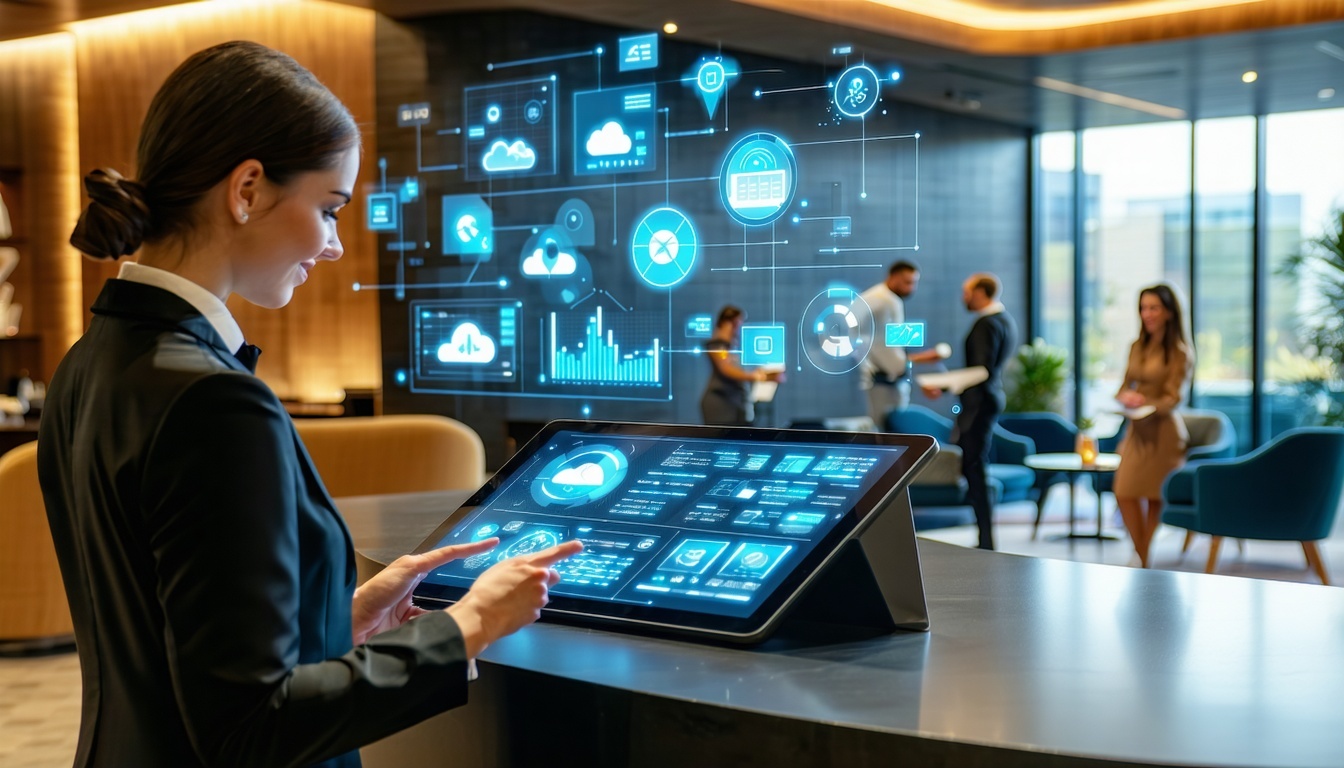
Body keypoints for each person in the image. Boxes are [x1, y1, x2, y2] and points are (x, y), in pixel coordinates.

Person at [38, 41, 582, 768]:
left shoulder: (89, 362)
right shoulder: (213, 403)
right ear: (248, 189)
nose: (331, 245)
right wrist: (469, 625)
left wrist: (339, 621)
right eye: (328, 210)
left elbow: (168, 647)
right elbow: (251, 730)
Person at [923, 273, 1017, 550]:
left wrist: (941, 385)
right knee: (974, 467)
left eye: (967, 291)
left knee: (974, 469)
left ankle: (986, 540)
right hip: (986, 400)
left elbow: (980, 371)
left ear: (981, 292)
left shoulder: (985, 324)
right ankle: (984, 538)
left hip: (978, 405)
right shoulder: (1004, 320)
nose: (963, 296)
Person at [1112, 284, 1192, 568]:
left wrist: (1146, 401)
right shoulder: (1136, 346)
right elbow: (1123, 386)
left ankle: (1143, 559)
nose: (1147, 314)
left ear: (1169, 313)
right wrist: (1126, 397)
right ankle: (1144, 555)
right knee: (1124, 492)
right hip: (1136, 431)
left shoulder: (1180, 352)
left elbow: (1174, 398)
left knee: (1154, 496)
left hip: (1164, 433)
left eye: (1154, 307)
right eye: (1144, 307)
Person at [858, 260, 944, 426]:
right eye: (907, 282)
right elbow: (884, 348)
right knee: (889, 431)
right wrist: (919, 359)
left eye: (913, 283)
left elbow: (892, 341)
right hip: (882, 379)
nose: (911, 288)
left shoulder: (881, 297)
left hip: (881, 375)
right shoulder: (884, 301)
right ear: (893, 277)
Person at [700, 305, 783, 425]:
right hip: (722, 406)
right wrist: (755, 376)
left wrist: (764, 374)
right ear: (728, 323)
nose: (739, 328)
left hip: (735, 405)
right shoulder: (718, 347)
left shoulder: (728, 348)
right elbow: (726, 368)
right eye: (738, 324)